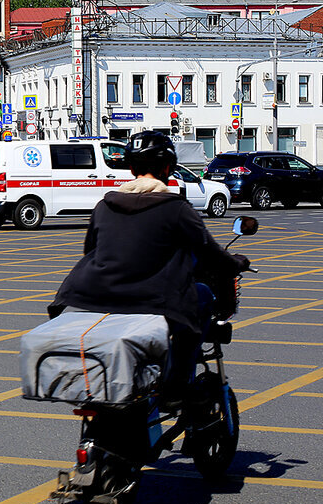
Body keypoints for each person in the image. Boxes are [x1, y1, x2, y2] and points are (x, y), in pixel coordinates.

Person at [49, 130, 247, 405]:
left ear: (132, 169)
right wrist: (238, 262)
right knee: (201, 295)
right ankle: (177, 386)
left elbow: (90, 252)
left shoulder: (104, 206)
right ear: (168, 169)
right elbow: (210, 254)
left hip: (94, 300)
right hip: (152, 302)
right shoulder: (177, 209)